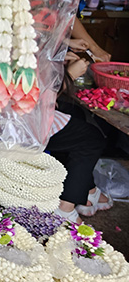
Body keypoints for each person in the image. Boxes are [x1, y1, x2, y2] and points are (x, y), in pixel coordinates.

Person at [48, 38, 112, 223]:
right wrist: (68, 76)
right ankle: (66, 206)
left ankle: (87, 189)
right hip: (20, 120)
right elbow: (38, 95)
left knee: (76, 115)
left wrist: (59, 53)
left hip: (33, 111)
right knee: (92, 139)